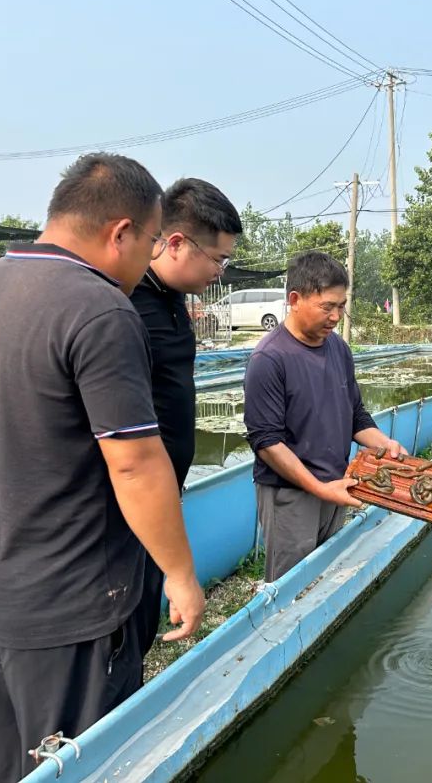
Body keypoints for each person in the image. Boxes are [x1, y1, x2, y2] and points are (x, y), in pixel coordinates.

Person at [0, 153, 205, 783]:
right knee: (85, 766)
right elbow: (137, 463)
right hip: (72, 606)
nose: (146, 263)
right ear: (120, 232)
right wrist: (180, 574)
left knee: (9, 766)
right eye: (147, 242)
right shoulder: (99, 310)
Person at [243, 251, 406, 583]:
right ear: (295, 299)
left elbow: (355, 414)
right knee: (292, 584)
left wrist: (384, 443)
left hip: (336, 482)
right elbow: (267, 443)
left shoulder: (338, 348)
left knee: (326, 572)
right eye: (327, 307)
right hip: (291, 494)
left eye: (341, 306)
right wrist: (319, 488)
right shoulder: (270, 358)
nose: (335, 316)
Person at [128, 177, 241, 653]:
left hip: (160, 501)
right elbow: (128, 451)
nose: (222, 270)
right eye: (218, 258)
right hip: (126, 509)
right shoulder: (124, 305)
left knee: (139, 629)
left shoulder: (173, 302)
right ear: (175, 243)